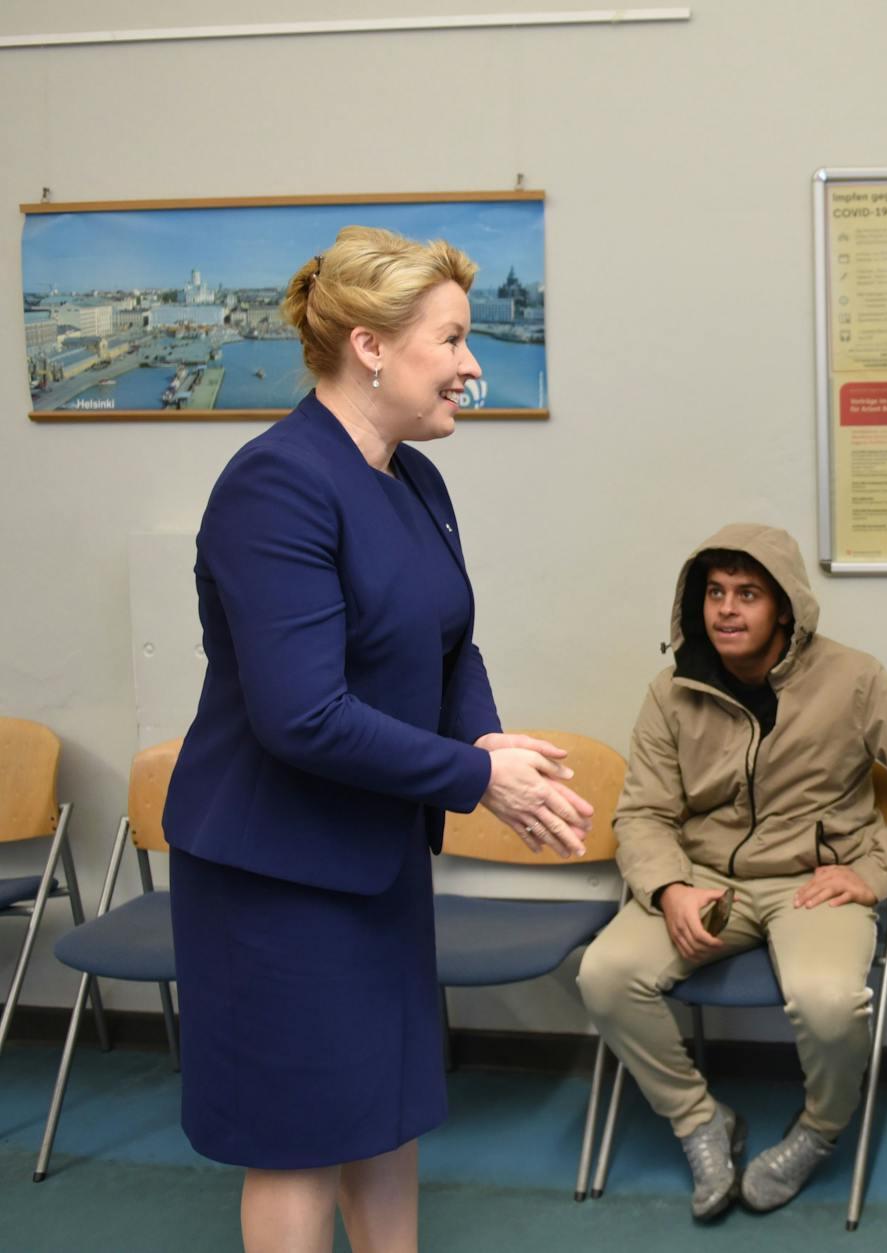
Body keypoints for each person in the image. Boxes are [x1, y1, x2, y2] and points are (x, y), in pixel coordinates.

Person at [163, 226, 594, 1253]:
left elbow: (449, 641)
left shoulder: (411, 478)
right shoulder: (276, 485)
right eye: (450, 338)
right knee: (302, 1138)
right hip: (275, 873)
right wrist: (475, 775)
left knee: (384, 1115)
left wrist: (491, 741)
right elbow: (300, 713)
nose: (470, 364)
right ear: (369, 345)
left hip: (372, 856)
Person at [577, 524, 887, 1220]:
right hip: (702, 879)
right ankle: (701, 1122)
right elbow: (641, 813)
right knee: (603, 975)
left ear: (784, 607)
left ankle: (818, 1129)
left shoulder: (853, 678)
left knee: (828, 1001)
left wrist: (875, 871)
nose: (727, 609)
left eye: (747, 594)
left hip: (811, 881)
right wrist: (668, 888)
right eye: (716, 593)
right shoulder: (673, 692)